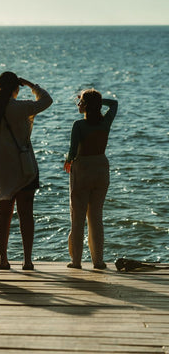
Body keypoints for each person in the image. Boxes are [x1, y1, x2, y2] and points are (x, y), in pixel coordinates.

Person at [0, 72, 52, 270]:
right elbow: (47, 100)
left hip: (1, 168)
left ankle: (3, 260)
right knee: (26, 215)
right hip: (24, 168)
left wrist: (0, 146)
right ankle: (27, 260)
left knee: (3, 214)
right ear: (16, 87)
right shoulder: (21, 107)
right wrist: (31, 84)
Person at [64, 88, 118, 270]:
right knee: (96, 217)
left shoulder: (79, 126)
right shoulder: (105, 122)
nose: (78, 105)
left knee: (77, 218)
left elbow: (72, 151)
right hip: (101, 167)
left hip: (83, 169)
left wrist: (68, 161)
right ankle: (98, 261)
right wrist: (96, 102)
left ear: (85, 106)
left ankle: (76, 261)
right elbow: (115, 104)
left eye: (80, 102)